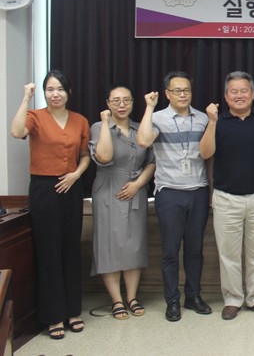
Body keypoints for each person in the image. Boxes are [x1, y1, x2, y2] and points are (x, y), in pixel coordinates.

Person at [11, 71, 90, 340]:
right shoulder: (35, 116)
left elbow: (85, 155)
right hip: (44, 189)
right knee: (49, 251)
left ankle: (73, 311)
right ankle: (54, 315)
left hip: (72, 186)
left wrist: (76, 175)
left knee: (71, 249)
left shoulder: (80, 120)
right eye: (50, 89)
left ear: (69, 92)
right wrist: (26, 98)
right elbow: (16, 132)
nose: (55, 94)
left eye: (60, 89)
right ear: (44, 92)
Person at [200, 71, 254, 320]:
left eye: (244, 90)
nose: (239, 95)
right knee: (229, 254)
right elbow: (205, 154)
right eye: (233, 91)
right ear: (226, 96)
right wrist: (212, 122)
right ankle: (233, 299)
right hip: (226, 197)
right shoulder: (217, 121)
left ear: (253, 94)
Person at [137, 71, 212, 322]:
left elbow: (209, 155)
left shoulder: (202, 118)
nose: (183, 95)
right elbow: (143, 140)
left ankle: (193, 296)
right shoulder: (157, 118)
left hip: (198, 190)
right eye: (177, 90)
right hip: (169, 192)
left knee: (195, 249)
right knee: (170, 251)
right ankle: (172, 301)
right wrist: (149, 107)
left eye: (186, 90)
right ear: (167, 93)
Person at [89, 84, 156, 320]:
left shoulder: (140, 128)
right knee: (109, 245)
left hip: (136, 190)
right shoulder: (99, 127)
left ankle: (132, 297)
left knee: (134, 245)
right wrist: (106, 123)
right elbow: (104, 156)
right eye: (116, 100)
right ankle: (116, 299)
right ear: (108, 103)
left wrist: (138, 185)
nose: (121, 105)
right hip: (108, 190)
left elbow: (151, 162)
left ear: (133, 103)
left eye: (126, 100)